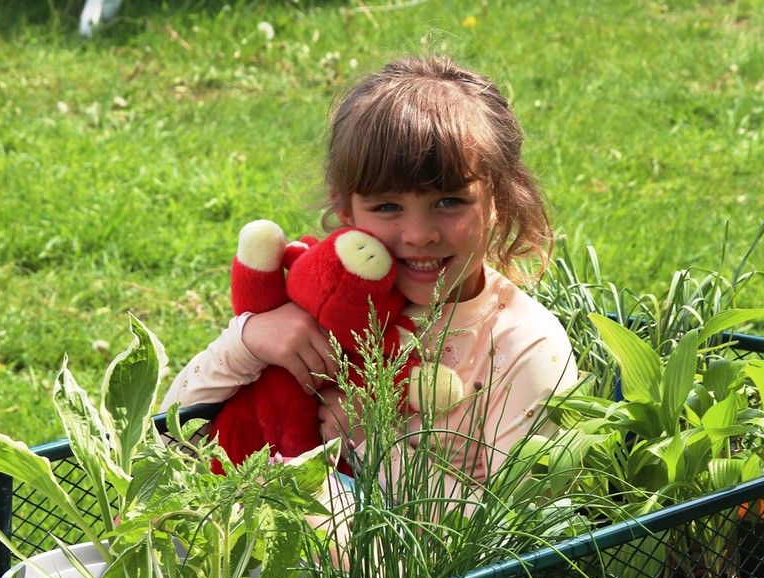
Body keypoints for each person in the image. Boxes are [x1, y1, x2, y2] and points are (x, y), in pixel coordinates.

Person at [161, 55, 577, 490]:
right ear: (346, 208)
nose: (418, 235)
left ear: (501, 200)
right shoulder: (321, 303)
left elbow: (510, 523)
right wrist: (245, 342)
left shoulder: (523, 348)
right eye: (388, 206)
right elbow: (166, 446)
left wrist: (369, 441)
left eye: (449, 201)